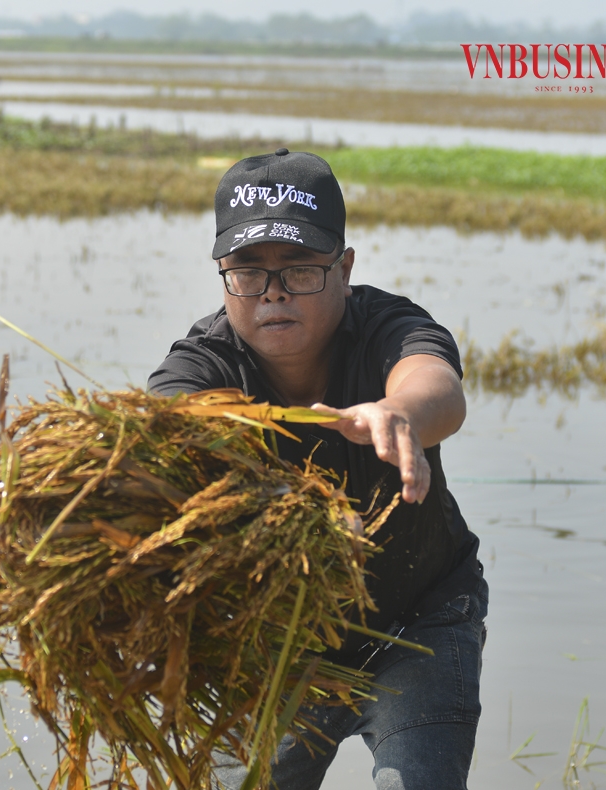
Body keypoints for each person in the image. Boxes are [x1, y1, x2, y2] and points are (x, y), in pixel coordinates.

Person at [148, 149, 488, 790]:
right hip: (274, 640)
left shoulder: (387, 325)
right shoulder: (200, 366)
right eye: (249, 273)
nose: (273, 294)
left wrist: (400, 415)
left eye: (299, 270)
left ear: (345, 268)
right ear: (224, 277)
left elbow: (436, 386)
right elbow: (166, 433)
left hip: (417, 622)